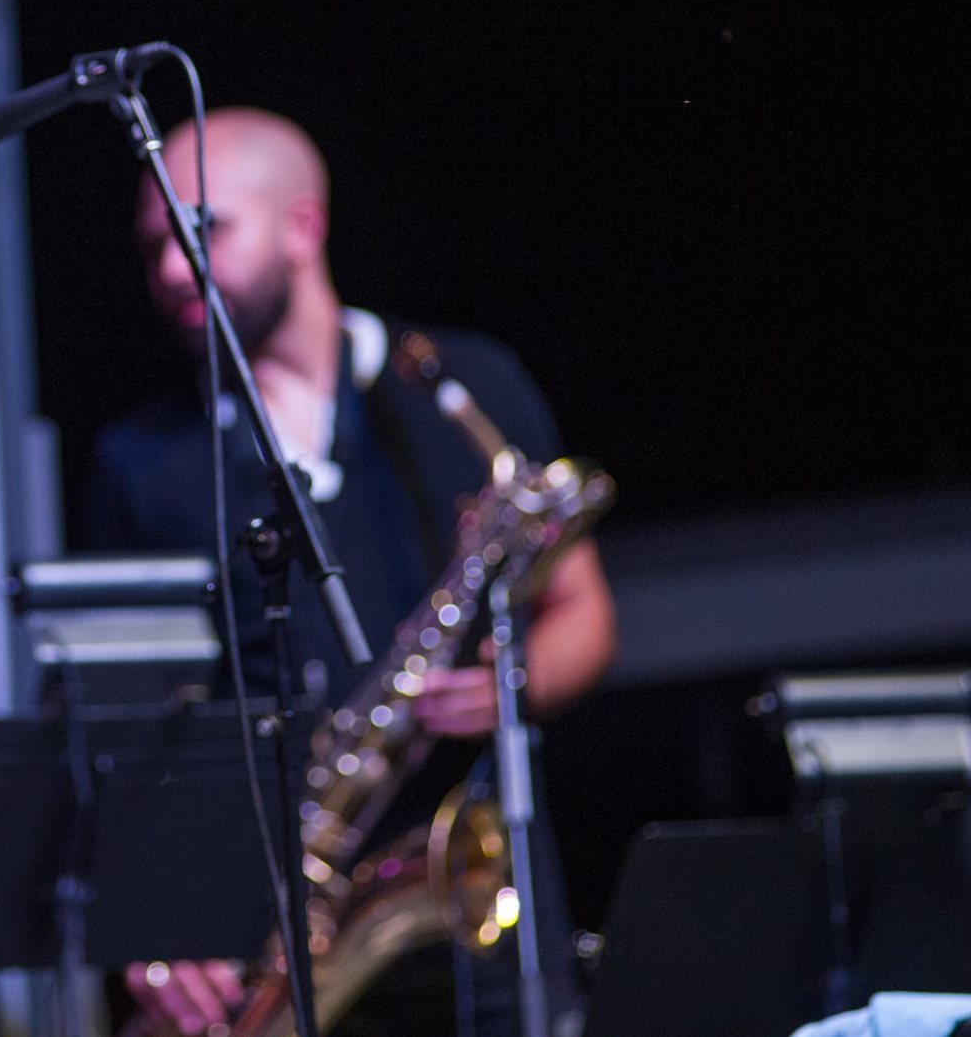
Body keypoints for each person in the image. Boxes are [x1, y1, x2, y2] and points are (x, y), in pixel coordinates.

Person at [85, 109, 616, 1036]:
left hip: (475, 918)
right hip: (262, 931)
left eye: (202, 230)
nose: (171, 267)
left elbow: (582, 610)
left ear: (303, 227)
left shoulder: (464, 386)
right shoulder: (141, 461)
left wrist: (512, 685)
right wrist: (159, 925)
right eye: (154, 244)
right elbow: (123, 738)